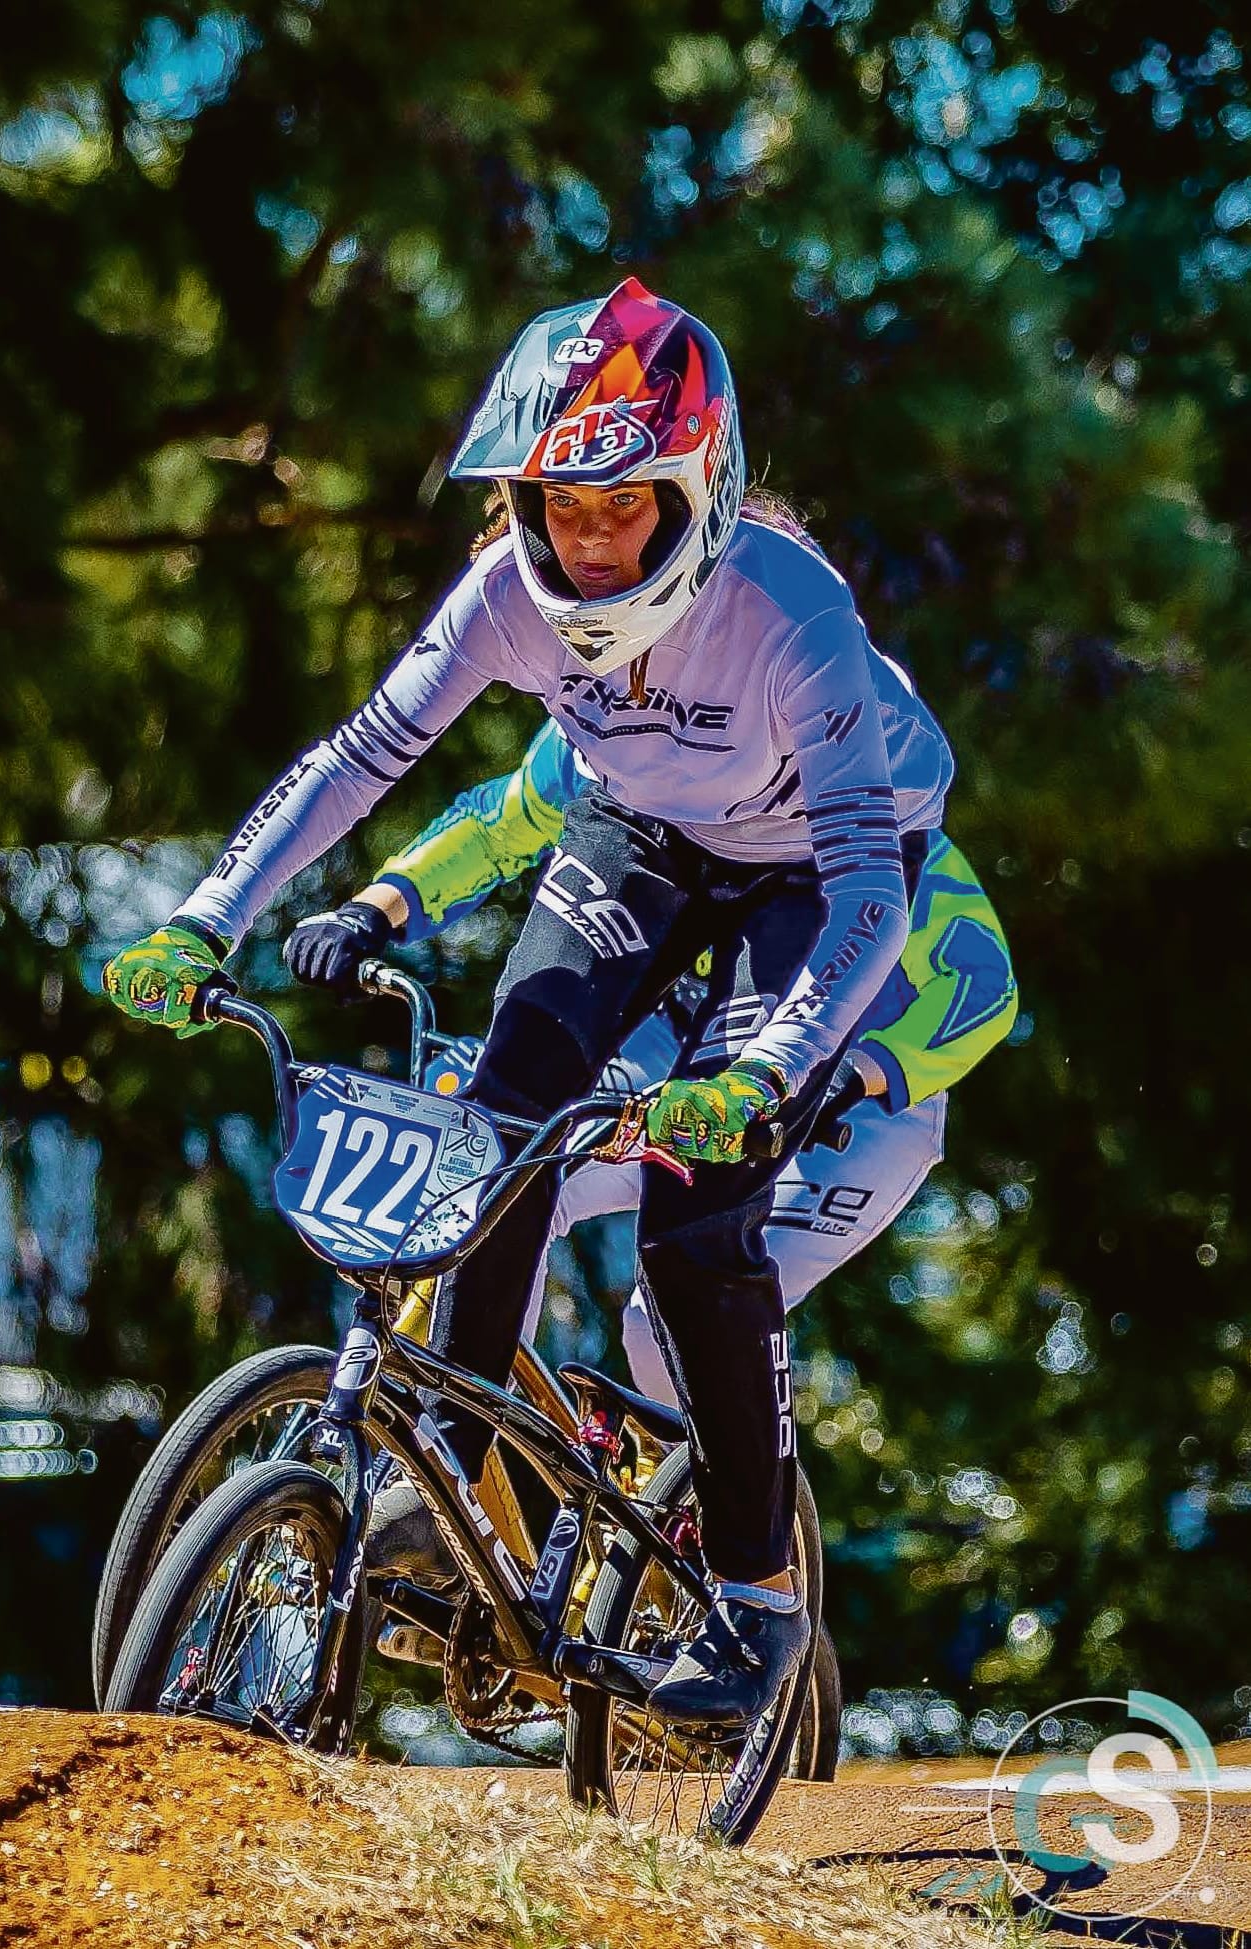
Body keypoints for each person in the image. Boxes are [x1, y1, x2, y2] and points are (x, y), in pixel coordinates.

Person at [106, 279, 957, 1727]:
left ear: (702, 488)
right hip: (637, 834)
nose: (590, 538)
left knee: (698, 1219)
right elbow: (365, 752)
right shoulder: (505, 587)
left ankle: (754, 1593)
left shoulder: (785, 605)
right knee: (495, 1128)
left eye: (626, 506)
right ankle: (449, 1473)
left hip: (817, 864)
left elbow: (874, 880)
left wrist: (762, 1076)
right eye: (560, 504)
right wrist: (206, 917)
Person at [284, 714, 1017, 1403]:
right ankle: (450, 1452)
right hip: (681, 1043)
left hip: (850, 1101)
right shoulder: (602, 731)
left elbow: (984, 985)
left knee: (662, 1322)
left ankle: (700, 1517)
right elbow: (499, 821)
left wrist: (865, 1073)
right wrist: (372, 908)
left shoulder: (864, 800)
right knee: (499, 1186)